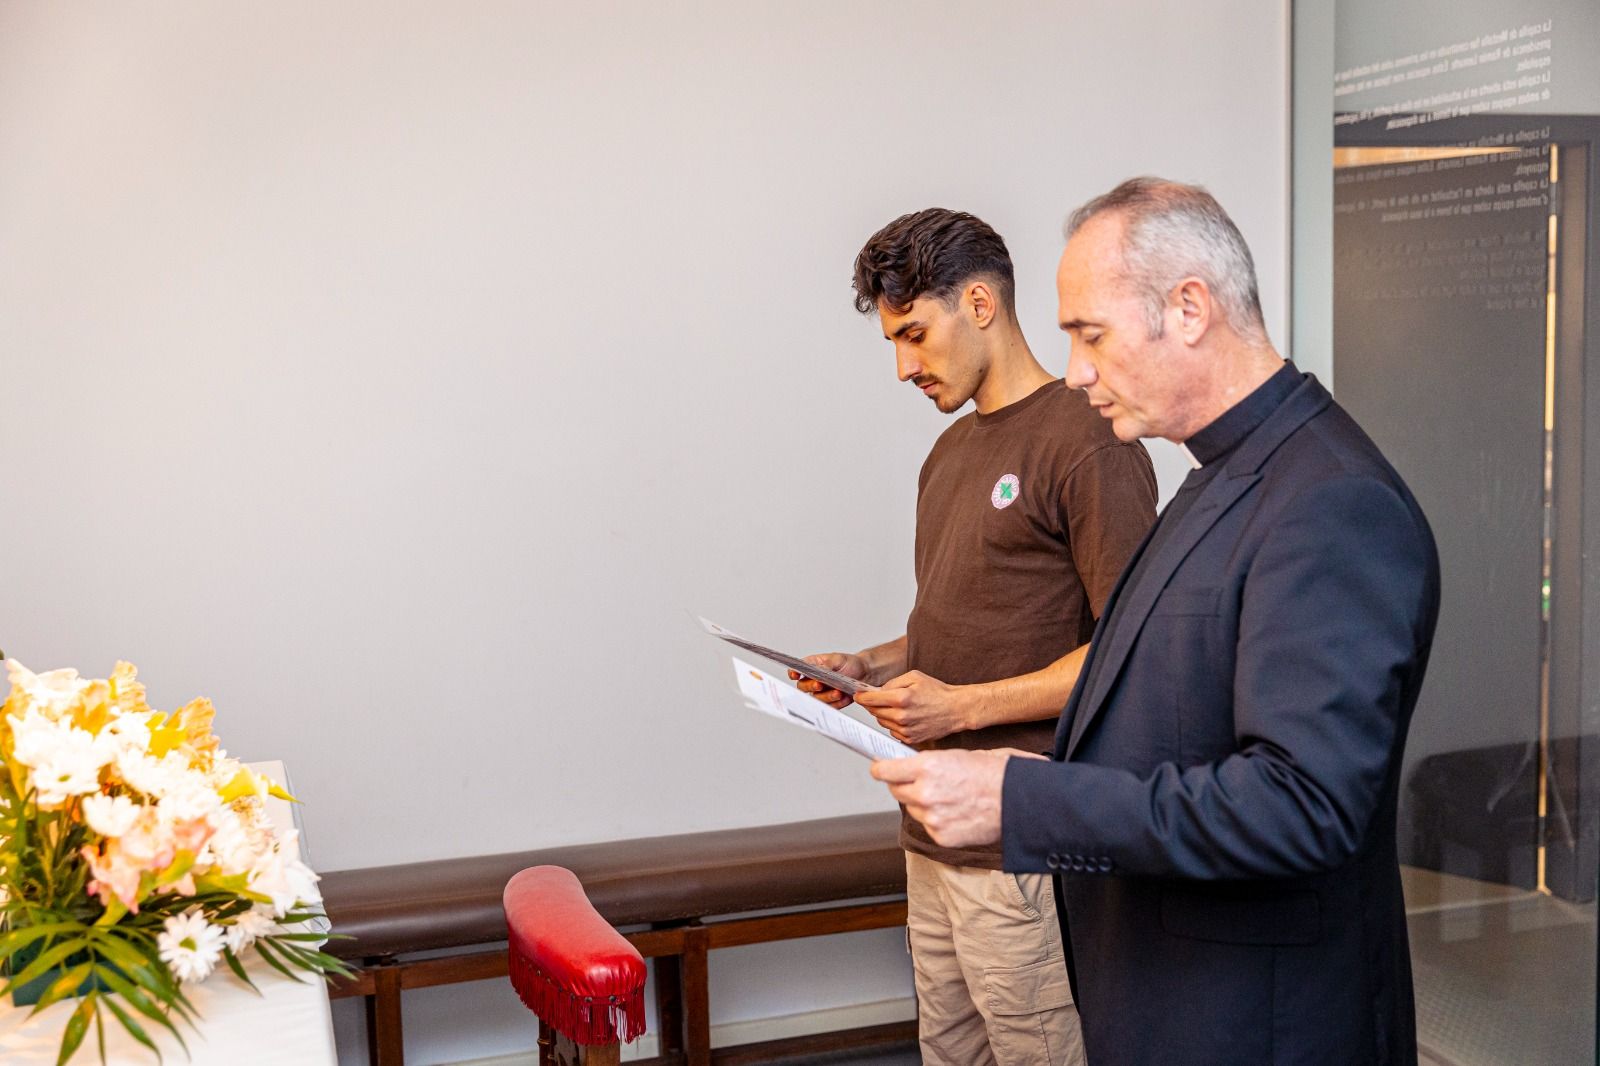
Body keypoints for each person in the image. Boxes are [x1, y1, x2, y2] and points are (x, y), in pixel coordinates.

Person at [871, 178, 1441, 1066]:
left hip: (1256, 1019)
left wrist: (1022, 795)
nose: (1077, 371)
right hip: (1170, 987)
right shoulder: (1221, 474)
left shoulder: (1333, 501)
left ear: (1188, 309)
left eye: (1089, 334)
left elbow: (1304, 806)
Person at [799, 208, 1156, 1066]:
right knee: (950, 1055)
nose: (903, 366)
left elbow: (1132, 657)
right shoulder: (949, 453)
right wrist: (868, 666)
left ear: (981, 303)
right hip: (929, 831)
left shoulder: (1088, 440)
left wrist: (958, 710)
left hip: (1020, 842)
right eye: (893, 341)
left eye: (915, 334)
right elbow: (966, 621)